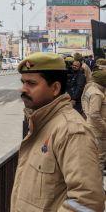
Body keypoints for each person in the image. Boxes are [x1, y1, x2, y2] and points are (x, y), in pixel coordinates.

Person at [10, 52, 103, 212]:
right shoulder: (42, 123)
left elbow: (87, 202)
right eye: (23, 82)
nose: (23, 89)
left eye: (31, 83)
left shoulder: (71, 131)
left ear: (55, 88)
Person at [81, 69, 106, 171]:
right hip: (98, 130)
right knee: (100, 157)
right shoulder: (98, 94)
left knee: (92, 156)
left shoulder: (90, 89)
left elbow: (83, 102)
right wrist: (104, 126)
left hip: (91, 125)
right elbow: (94, 114)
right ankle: (96, 184)